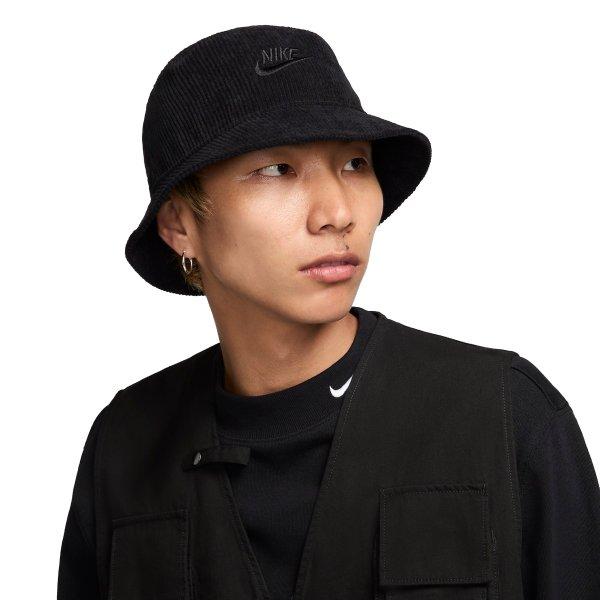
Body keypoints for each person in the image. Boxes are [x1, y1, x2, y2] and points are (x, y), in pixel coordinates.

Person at [57, 25, 600, 600]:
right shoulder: (125, 447)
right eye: (277, 169)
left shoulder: (505, 415)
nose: (338, 213)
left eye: (355, 164)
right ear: (180, 225)